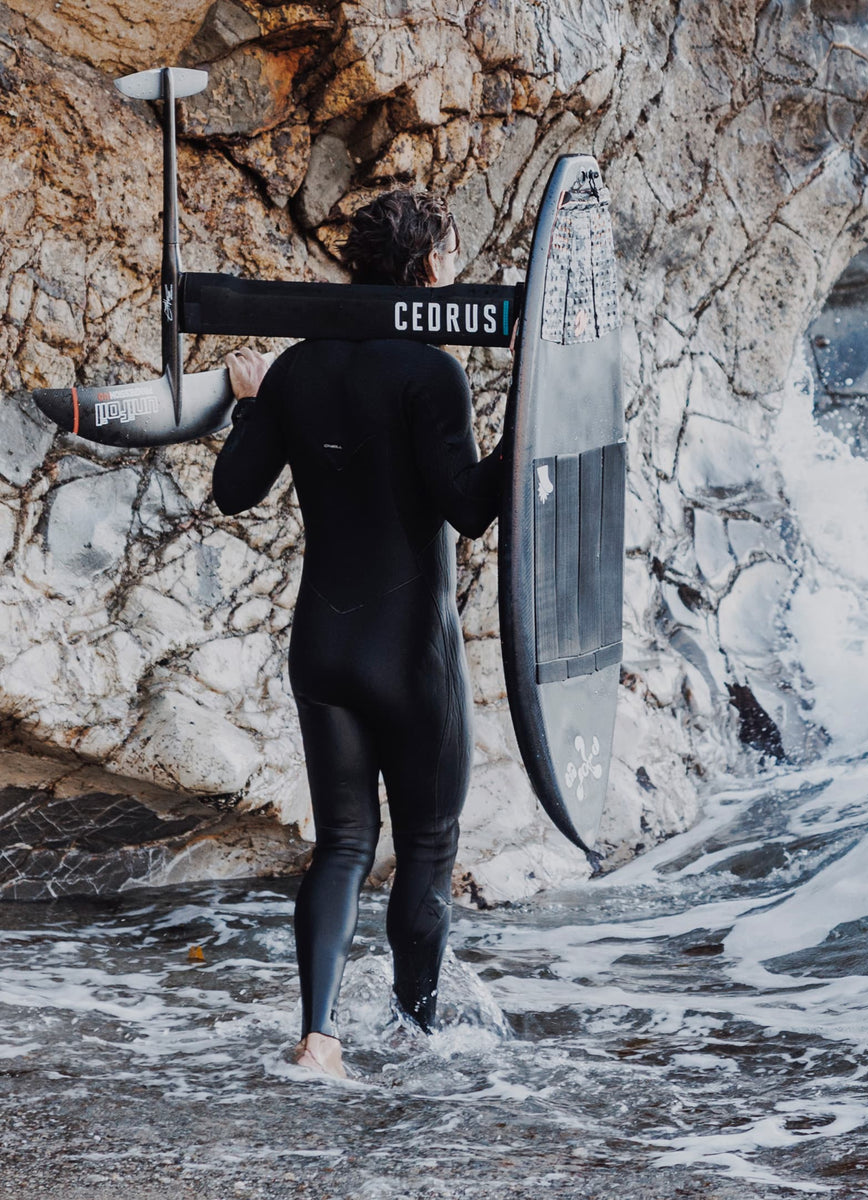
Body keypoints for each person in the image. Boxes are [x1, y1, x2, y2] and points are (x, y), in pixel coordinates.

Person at [213, 188, 504, 1079]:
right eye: (447, 255)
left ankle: (321, 1039)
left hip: (324, 649)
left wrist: (254, 404)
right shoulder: (431, 372)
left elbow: (233, 492)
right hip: (412, 653)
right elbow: (470, 509)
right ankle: (419, 1039)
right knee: (424, 844)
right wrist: (529, 432)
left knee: (342, 844)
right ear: (425, 268)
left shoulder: (298, 368)